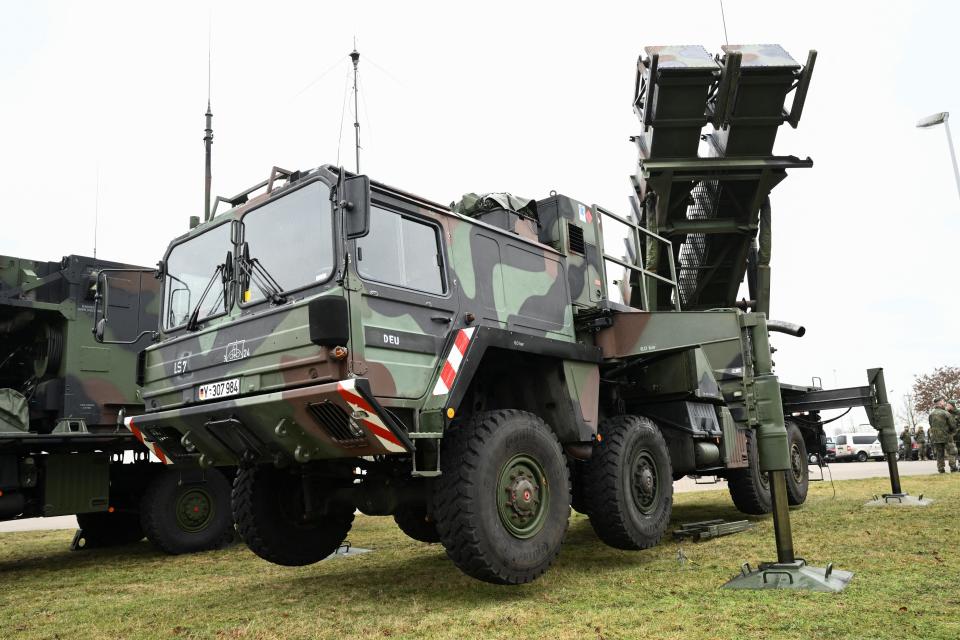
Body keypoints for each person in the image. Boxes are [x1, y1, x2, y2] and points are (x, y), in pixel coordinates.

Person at [928, 397, 958, 473]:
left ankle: (941, 469)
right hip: (947, 436)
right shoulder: (946, 413)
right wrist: (952, 433)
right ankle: (953, 468)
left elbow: (931, 425)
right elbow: (953, 426)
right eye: (943, 402)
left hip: (936, 438)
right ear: (940, 402)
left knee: (939, 454)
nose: (944, 403)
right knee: (952, 452)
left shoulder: (931, 414)